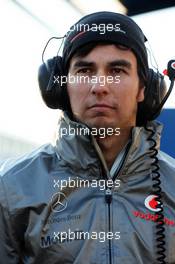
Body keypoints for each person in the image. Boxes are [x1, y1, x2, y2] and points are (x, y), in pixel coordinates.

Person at [0, 11, 175, 264]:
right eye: (84, 70)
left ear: (144, 89)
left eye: (117, 70)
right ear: (60, 87)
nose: (100, 86)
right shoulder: (11, 189)